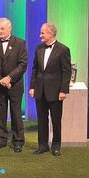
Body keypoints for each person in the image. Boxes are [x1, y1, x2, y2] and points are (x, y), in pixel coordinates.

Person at [29, 22, 72, 156]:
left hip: (55, 91)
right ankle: (42, 145)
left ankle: (56, 146)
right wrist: (32, 87)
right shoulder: (39, 48)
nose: (40, 35)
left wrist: (63, 90)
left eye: (42, 33)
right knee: (42, 119)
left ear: (51, 34)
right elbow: (35, 69)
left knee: (56, 120)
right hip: (40, 90)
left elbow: (66, 72)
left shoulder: (63, 50)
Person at [0, 17, 28, 153]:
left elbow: (23, 65)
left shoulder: (20, 43)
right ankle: (1, 139)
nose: (0, 31)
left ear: (10, 28)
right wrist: (1, 80)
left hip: (15, 85)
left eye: (2, 28)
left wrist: (9, 78)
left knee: (16, 113)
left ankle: (18, 141)